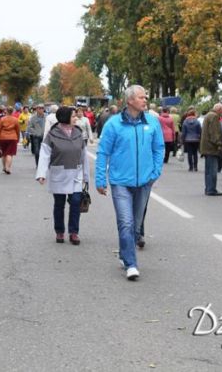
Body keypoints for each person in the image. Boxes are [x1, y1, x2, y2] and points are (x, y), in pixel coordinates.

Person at [96, 85, 164, 281]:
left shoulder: (152, 122)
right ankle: (131, 264)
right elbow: (103, 153)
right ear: (130, 101)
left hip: (144, 181)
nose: (145, 100)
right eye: (142, 97)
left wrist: (155, 172)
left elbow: (159, 148)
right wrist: (101, 179)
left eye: (145, 97)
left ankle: (125, 253)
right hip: (120, 182)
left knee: (135, 225)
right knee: (125, 222)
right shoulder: (113, 124)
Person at [36, 107, 90, 245]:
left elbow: (84, 155)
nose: (76, 118)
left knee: (76, 202)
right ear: (65, 118)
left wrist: (86, 175)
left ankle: (74, 232)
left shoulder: (78, 133)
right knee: (59, 204)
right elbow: (44, 154)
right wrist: (41, 174)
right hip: (59, 173)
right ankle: (59, 231)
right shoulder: (52, 134)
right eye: (73, 116)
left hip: (76, 174)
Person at [200, 104, 222, 196]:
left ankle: (208, 188)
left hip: (207, 147)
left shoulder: (208, 115)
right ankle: (211, 189)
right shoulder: (214, 117)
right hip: (211, 147)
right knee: (212, 170)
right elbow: (214, 133)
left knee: (208, 170)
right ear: (218, 109)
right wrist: (220, 143)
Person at [0, 106, 21, 174]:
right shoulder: (15, 120)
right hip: (12, 138)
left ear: (6, 111)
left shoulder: (2, 119)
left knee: (3, 153)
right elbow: (18, 130)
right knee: (10, 154)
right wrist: (18, 138)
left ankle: (4, 167)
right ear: (12, 112)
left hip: (2, 138)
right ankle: (8, 168)